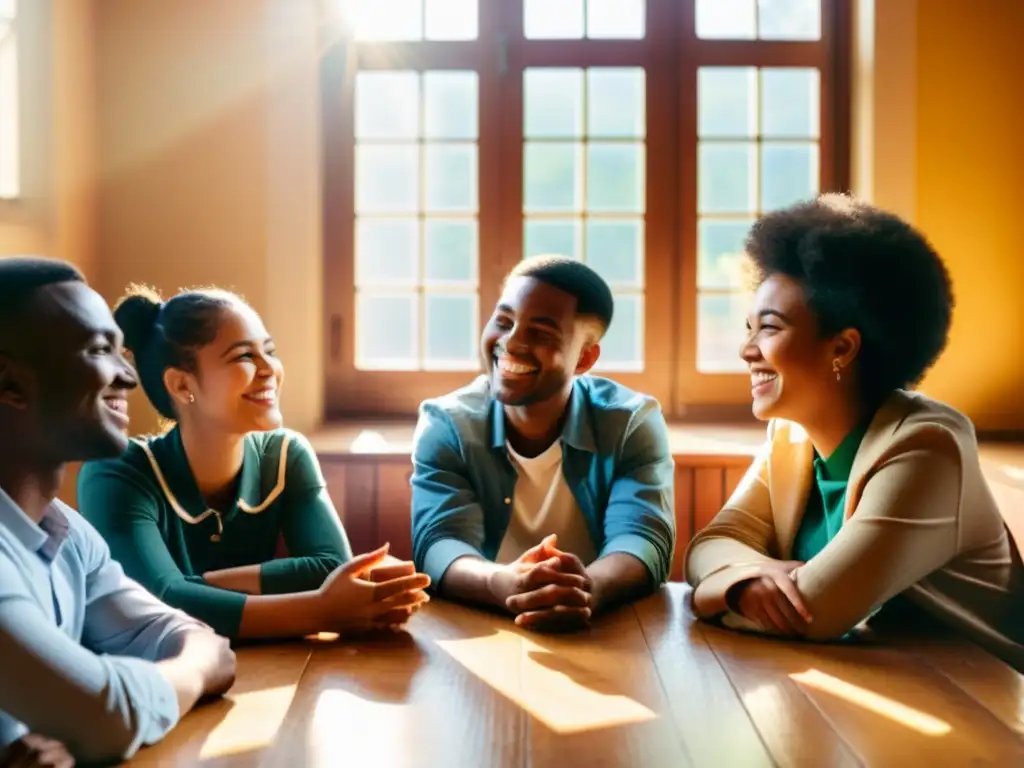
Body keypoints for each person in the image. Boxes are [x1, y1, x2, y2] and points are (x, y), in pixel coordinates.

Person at [684, 194, 1024, 669]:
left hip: (983, 702)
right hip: (877, 682)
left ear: (841, 348)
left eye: (769, 328)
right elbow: (710, 543)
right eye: (748, 329)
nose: (746, 350)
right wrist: (743, 582)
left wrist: (710, 595)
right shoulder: (791, 437)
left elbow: (816, 611)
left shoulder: (927, 446)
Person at [77, 286, 429, 640]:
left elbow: (330, 567)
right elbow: (159, 604)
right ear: (183, 385)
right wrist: (321, 610)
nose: (269, 370)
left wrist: (200, 586)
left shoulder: (285, 455)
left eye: (269, 351)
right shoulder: (116, 472)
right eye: (243, 357)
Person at [0, 257, 237, 764]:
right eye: (99, 349)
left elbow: (184, 636)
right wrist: (191, 672)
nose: (128, 376)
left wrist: (77, 727)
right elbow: (108, 714)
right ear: (9, 382)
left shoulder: (67, 533)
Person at [411, 255, 675, 632]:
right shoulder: (448, 423)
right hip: (479, 625)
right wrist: (500, 583)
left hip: (605, 629)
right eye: (503, 322)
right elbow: (439, 542)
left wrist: (587, 588)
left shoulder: (631, 422)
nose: (511, 342)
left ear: (584, 357)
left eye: (540, 333)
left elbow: (643, 538)